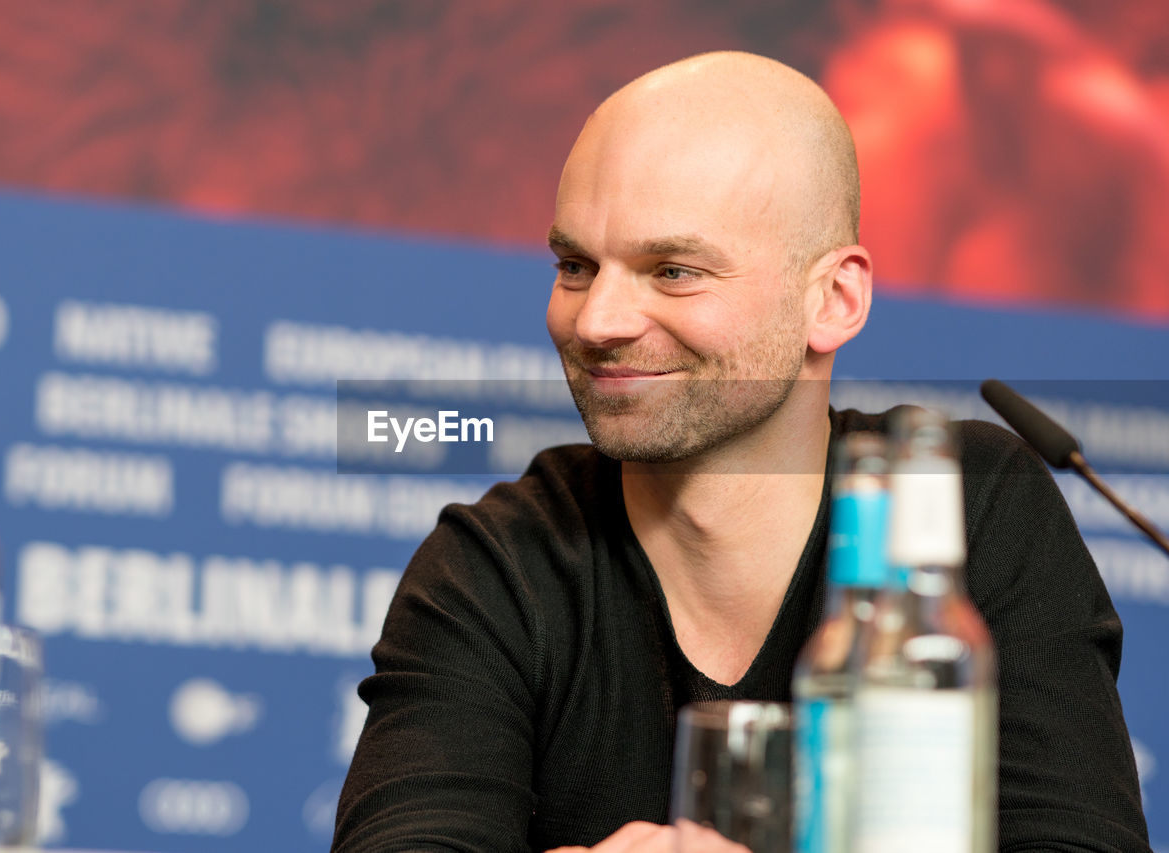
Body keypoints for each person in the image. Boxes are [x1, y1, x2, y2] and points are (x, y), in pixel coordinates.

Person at [332, 51, 1150, 852]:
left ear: (832, 299)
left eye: (674, 270)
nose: (596, 321)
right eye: (576, 265)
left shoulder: (957, 505)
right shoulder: (499, 560)